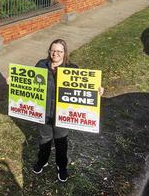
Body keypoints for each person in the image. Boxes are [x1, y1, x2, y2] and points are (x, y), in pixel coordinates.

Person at [32, 39, 103, 182]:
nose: (55, 53)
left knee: (60, 141)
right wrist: (14, 80)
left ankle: (62, 166)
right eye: (53, 50)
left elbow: (83, 87)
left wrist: (97, 91)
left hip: (62, 114)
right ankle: (42, 161)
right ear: (49, 51)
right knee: (45, 139)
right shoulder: (41, 65)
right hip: (43, 112)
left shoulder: (72, 68)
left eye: (59, 51)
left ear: (65, 53)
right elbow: (30, 82)